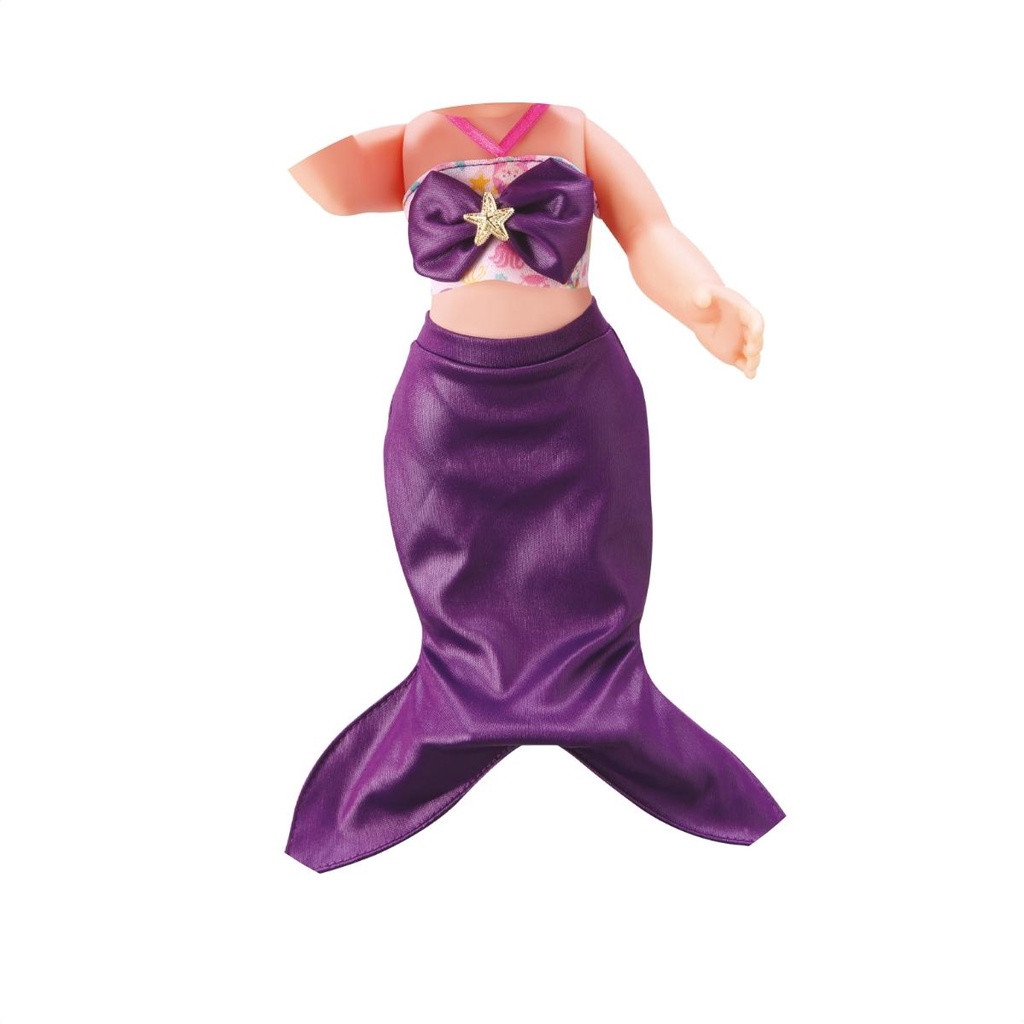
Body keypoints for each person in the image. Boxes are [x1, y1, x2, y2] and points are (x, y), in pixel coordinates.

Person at [284, 102, 783, 873]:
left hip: (579, 405)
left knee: (599, 605)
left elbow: (649, 230)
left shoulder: (576, 129)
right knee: (456, 613)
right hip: (449, 414)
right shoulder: (413, 136)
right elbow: (326, 182)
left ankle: (609, 710)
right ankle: (457, 709)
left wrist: (702, 299)